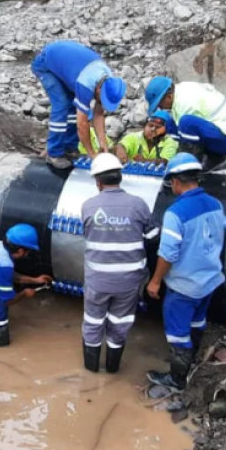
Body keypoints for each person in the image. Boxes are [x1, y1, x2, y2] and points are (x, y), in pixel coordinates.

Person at [145, 153, 226, 391]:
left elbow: (168, 253)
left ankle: (177, 380)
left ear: (175, 181)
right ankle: (193, 361)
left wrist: (155, 281)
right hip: (210, 279)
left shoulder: (175, 213)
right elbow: (222, 228)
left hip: (184, 285)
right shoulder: (215, 204)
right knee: (197, 320)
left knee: (177, 331)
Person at [80, 154, 160, 373]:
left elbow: (88, 234)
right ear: (120, 177)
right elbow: (153, 236)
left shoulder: (88, 206)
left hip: (98, 281)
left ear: (98, 181)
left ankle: (91, 371)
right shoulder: (138, 205)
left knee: (93, 322)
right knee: (120, 322)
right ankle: (113, 369)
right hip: (128, 281)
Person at [31, 41, 127, 169]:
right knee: (62, 105)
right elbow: (82, 125)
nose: (101, 101)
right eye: (101, 99)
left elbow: (98, 113)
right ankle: (54, 153)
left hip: (68, 66)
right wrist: (92, 154)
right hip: (46, 64)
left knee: (71, 105)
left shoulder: (108, 80)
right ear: (98, 89)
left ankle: (69, 147)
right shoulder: (86, 84)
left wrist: (103, 144)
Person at [143, 77, 226, 168]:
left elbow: (188, 140)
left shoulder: (185, 102)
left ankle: (190, 171)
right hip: (222, 133)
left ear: (168, 96)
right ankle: (217, 159)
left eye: (160, 103)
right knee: (171, 124)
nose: (160, 108)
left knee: (187, 123)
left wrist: (180, 168)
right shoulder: (181, 91)